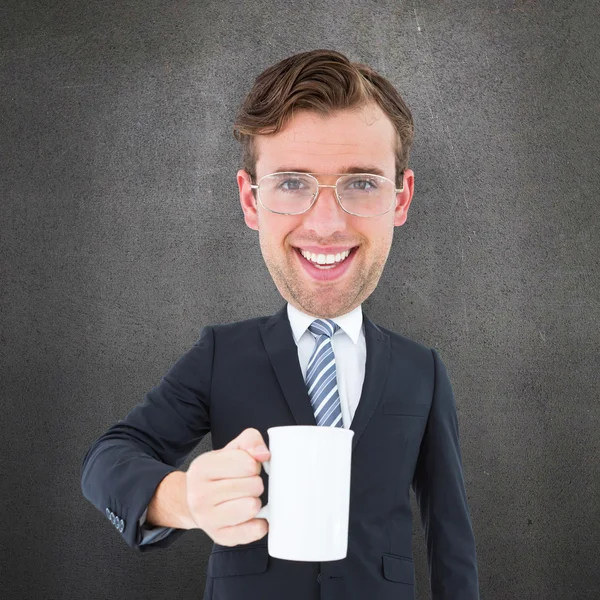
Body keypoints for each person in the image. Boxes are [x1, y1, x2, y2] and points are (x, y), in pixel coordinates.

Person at [81, 48, 479, 600]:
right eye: (291, 182)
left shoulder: (423, 371)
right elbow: (108, 458)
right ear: (250, 201)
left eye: (361, 182)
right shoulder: (222, 354)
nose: (325, 224)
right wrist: (183, 498)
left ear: (401, 198)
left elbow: (449, 534)